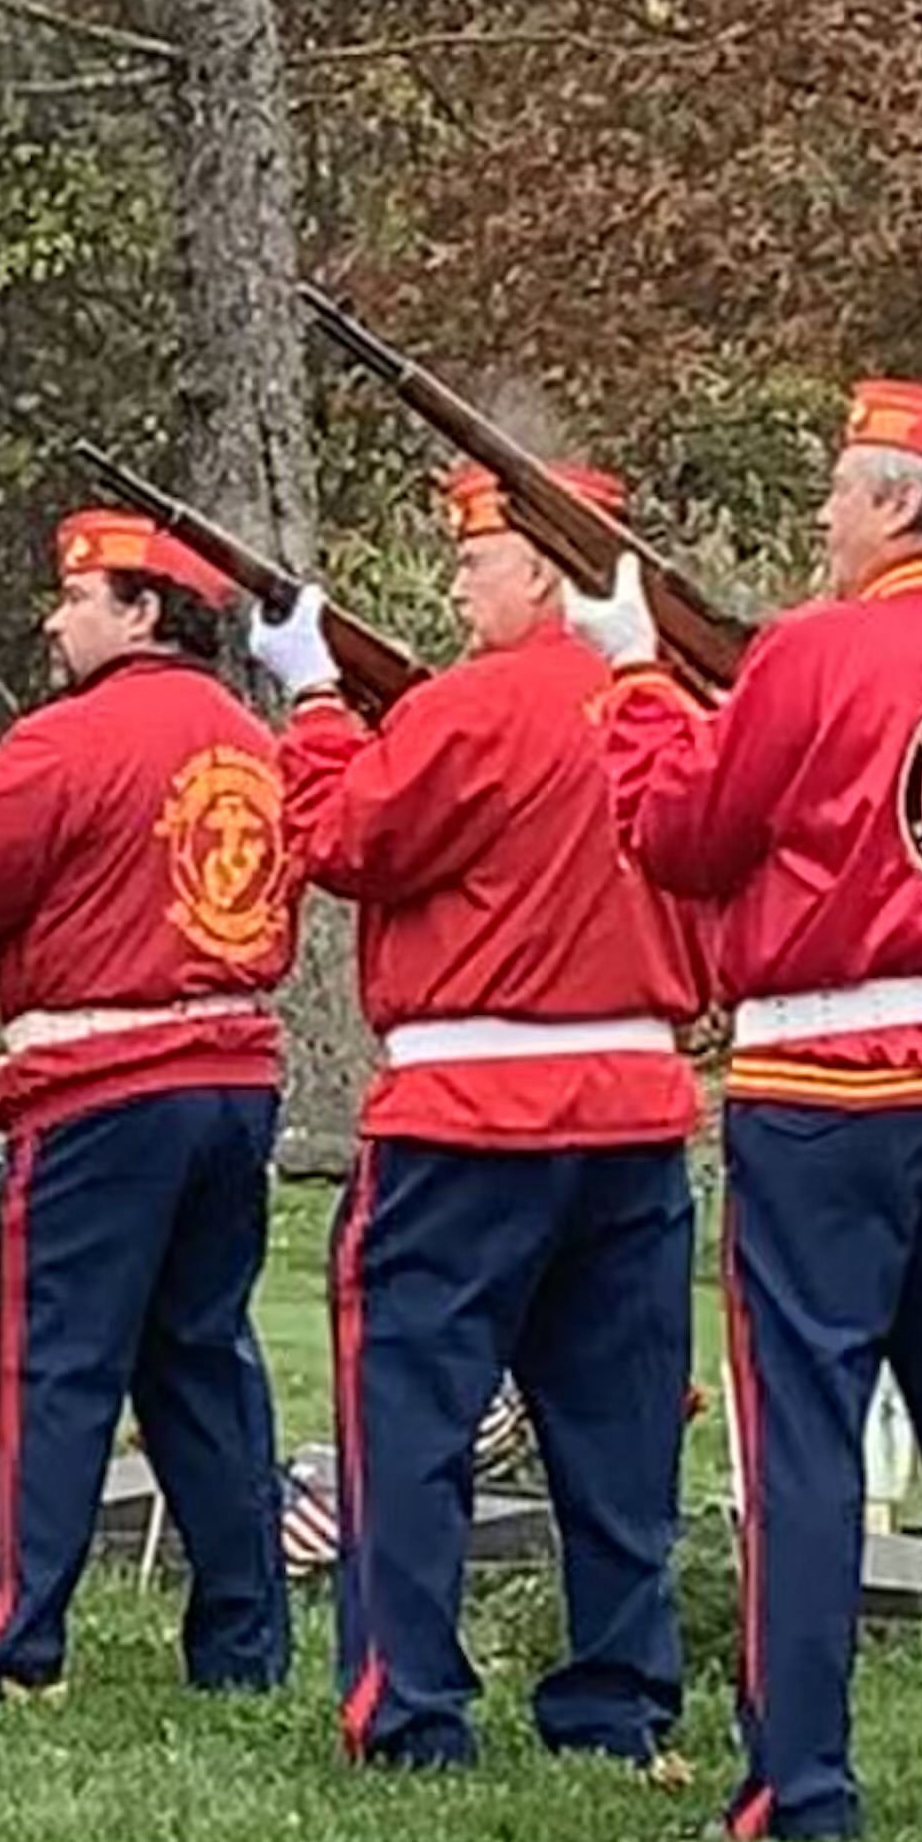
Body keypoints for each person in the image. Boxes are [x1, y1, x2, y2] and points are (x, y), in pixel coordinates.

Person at [578, 379, 922, 1842]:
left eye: (837, 488)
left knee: (802, 1432)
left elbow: (685, 833)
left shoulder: (818, 648)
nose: (819, 514)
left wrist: (632, 683)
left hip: (823, 1091)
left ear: (895, 503)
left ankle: (798, 1780)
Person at [259, 461, 706, 1768]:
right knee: (618, 1429)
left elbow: (343, 839)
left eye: (478, 558)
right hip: (630, 1110)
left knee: (409, 1412)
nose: (458, 583)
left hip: (467, 1111)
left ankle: (410, 1704)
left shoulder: (475, 706)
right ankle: (616, 1700)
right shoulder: (665, 703)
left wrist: (316, 698)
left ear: (545, 568)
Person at [0, 510, 292, 1698]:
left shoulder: (65, 738)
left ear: (144, 611)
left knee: (56, 1368)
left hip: (101, 1092)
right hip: (233, 1078)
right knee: (204, 1361)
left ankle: (14, 1637)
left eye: (78, 599)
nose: (55, 621)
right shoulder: (252, 741)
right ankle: (245, 1647)